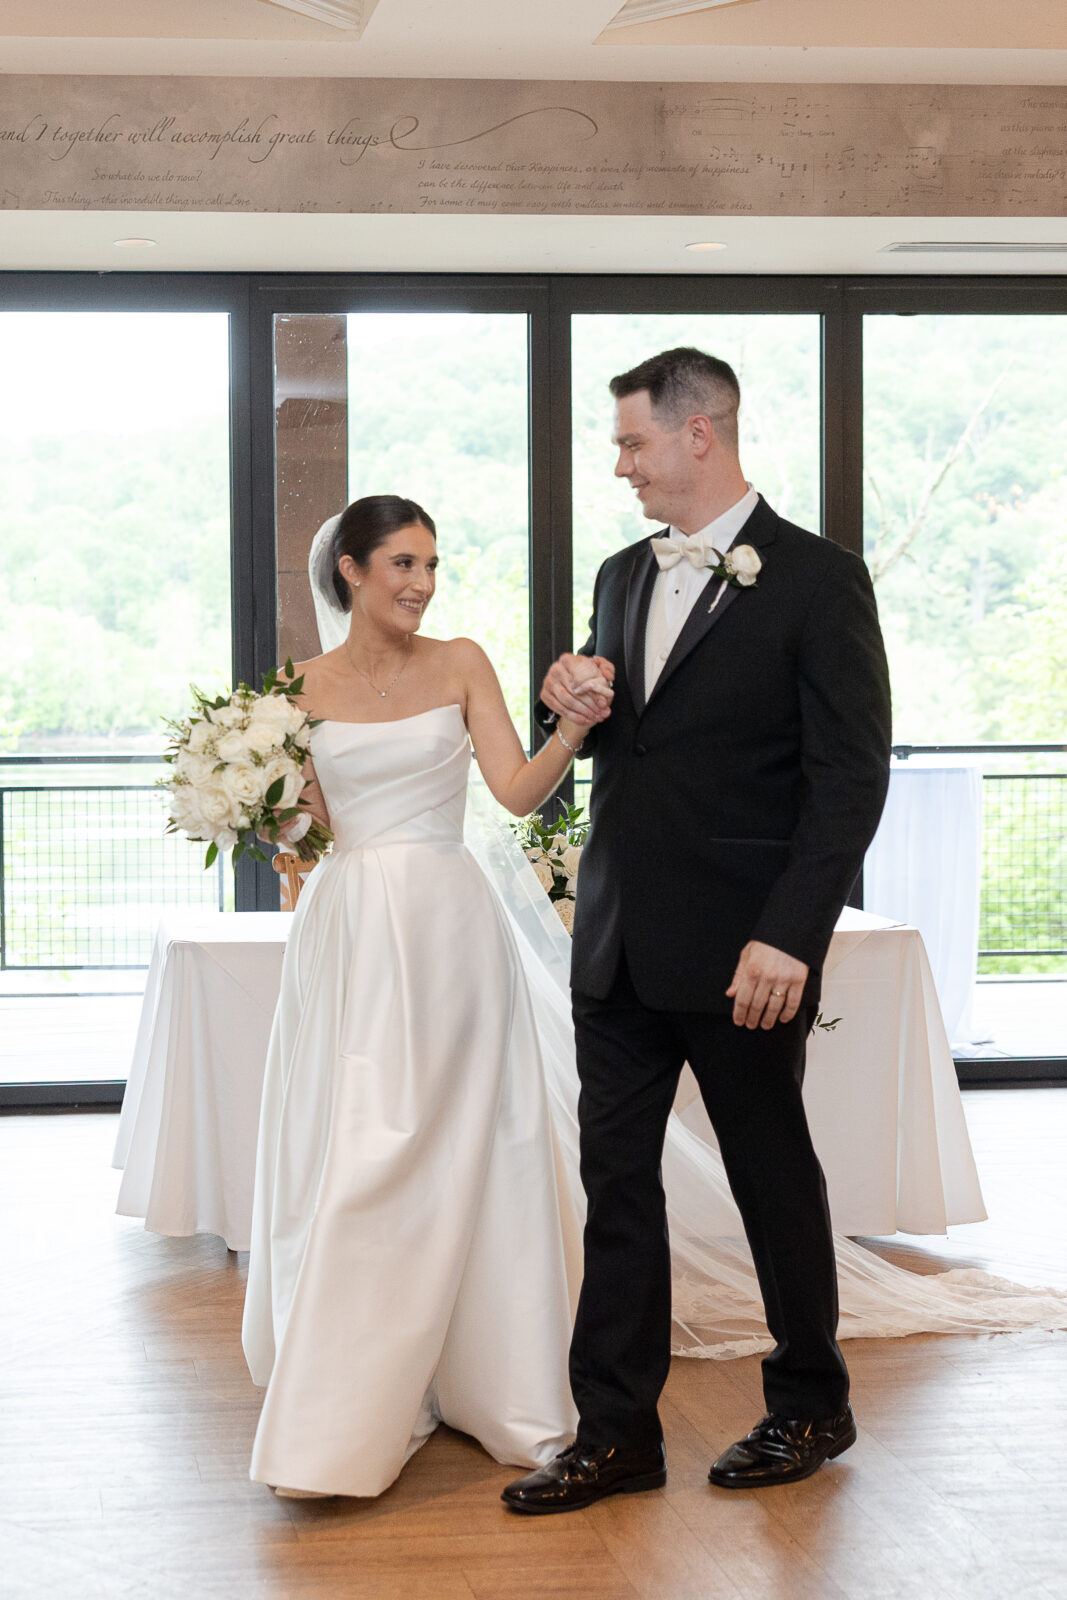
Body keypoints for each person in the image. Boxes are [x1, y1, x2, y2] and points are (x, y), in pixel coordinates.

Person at [502, 345, 894, 1512]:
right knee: (616, 1186)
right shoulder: (620, 572)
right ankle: (615, 1432)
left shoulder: (819, 579)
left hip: (743, 954)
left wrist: (790, 934)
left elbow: (847, 778)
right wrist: (565, 697)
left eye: (631, 442)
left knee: (770, 1175)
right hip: (618, 939)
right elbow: (631, 736)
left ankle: (809, 1404)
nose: (619, 465)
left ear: (698, 434)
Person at [241, 493, 610, 1498]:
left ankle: (498, 1381)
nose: (422, 584)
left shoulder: (460, 663)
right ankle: (356, 1402)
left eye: (431, 565)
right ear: (351, 570)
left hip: (450, 927)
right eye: (403, 563)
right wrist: (266, 818)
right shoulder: (296, 689)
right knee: (363, 1140)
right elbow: (311, 834)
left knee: (472, 1141)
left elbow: (515, 791)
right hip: (352, 932)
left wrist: (571, 730)